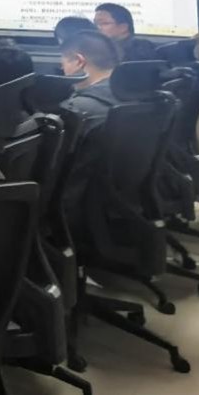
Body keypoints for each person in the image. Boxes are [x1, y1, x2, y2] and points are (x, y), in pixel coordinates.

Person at [58, 31, 122, 241]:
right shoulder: (136, 96)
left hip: (79, 206)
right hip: (122, 200)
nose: (62, 70)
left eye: (63, 63)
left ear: (79, 61)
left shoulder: (78, 110)